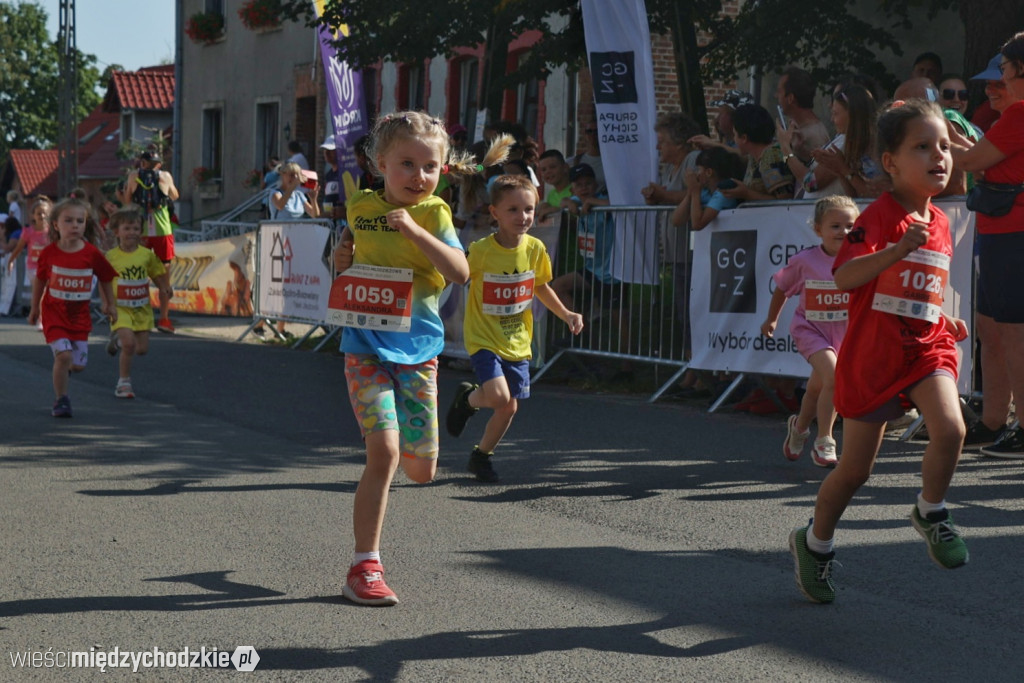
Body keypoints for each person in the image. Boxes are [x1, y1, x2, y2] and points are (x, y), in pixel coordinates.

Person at [790, 99, 970, 604]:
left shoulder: (938, 221)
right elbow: (845, 277)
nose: (939, 155)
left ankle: (931, 512)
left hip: (924, 348)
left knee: (952, 428)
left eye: (943, 147)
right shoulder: (879, 217)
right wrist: (895, 249)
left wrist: (944, 316)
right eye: (922, 147)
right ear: (890, 162)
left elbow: (926, 287)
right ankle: (814, 544)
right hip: (873, 358)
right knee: (854, 472)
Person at [329, 111, 508, 606]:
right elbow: (347, 264)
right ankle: (365, 566)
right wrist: (338, 262)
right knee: (383, 454)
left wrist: (414, 232)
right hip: (364, 347)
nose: (419, 176)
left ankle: (465, 401)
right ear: (379, 162)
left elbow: (460, 271)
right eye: (406, 164)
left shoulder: (434, 214)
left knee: (421, 470)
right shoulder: (360, 207)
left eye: (430, 167)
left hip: (418, 353)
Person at [445, 175, 584, 481]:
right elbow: (455, 276)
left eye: (529, 209)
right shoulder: (481, 250)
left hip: (517, 341)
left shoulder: (535, 249)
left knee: (508, 408)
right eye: (513, 210)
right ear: (495, 213)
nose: (523, 217)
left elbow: (542, 287)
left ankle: (481, 456)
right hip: (484, 338)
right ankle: (467, 401)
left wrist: (566, 313)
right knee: (496, 396)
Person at [948, 35, 1024, 457]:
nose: (1001, 78)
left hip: (1012, 232)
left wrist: (934, 129)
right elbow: (976, 156)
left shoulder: (1018, 115)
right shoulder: (1011, 117)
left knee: (1013, 333)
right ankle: (995, 420)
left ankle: (1019, 425)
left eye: (1006, 69)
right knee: (992, 330)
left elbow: (970, 161)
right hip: (1001, 232)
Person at [762, 196, 858, 467]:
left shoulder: (860, 260)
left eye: (850, 226)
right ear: (818, 230)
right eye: (836, 226)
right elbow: (782, 287)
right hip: (810, 330)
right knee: (835, 378)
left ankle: (800, 426)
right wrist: (771, 320)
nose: (844, 232)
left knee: (818, 387)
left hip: (842, 335)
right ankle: (825, 440)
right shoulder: (806, 260)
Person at [28, 197, 118, 418]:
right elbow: (40, 280)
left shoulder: (91, 253)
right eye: (68, 220)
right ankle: (61, 400)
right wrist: (35, 308)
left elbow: (106, 277)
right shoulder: (49, 253)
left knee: (77, 365)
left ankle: (65, 368)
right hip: (54, 314)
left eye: (80, 221)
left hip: (78, 318)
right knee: (64, 356)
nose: (75, 225)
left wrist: (109, 303)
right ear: (56, 225)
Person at [104, 207, 171, 399]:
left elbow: (156, 272)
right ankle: (123, 383)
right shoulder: (111, 257)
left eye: (135, 228)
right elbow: (104, 280)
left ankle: (116, 342)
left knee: (141, 349)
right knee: (129, 344)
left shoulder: (146, 255)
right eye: (127, 228)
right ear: (117, 232)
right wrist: (106, 303)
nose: (132, 233)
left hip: (141, 307)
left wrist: (164, 286)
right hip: (120, 308)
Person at [116, 151, 179, 333]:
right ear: (158, 164)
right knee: (165, 276)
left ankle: (136, 317)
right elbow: (175, 196)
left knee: (136, 273)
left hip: (140, 228)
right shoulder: (166, 176)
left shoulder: (133, 176)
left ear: (142, 162)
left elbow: (127, 201)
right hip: (162, 229)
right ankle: (164, 320)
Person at [801, 83, 885, 199]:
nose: (832, 120)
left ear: (852, 114)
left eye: (835, 114)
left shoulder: (878, 146)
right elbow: (854, 197)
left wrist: (787, 153)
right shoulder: (853, 144)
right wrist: (838, 170)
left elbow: (872, 195)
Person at [720, 103, 796, 203]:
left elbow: (784, 202)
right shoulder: (755, 157)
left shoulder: (771, 157)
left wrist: (746, 193)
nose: (734, 140)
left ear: (744, 138)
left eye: (735, 134)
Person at [775, 66, 832, 164]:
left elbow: (813, 177)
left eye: (779, 91)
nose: (776, 96)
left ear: (790, 98)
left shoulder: (814, 136)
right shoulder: (801, 130)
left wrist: (786, 148)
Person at [688, 89, 755, 151]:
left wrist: (713, 144)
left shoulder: (748, 142)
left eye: (721, 113)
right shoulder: (729, 142)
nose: (717, 119)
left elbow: (745, 157)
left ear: (734, 117)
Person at [535, 149, 572, 223]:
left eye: (552, 167)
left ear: (565, 167)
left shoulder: (575, 190)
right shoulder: (551, 194)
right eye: (543, 170)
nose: (548, 172)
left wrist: (555, 210)